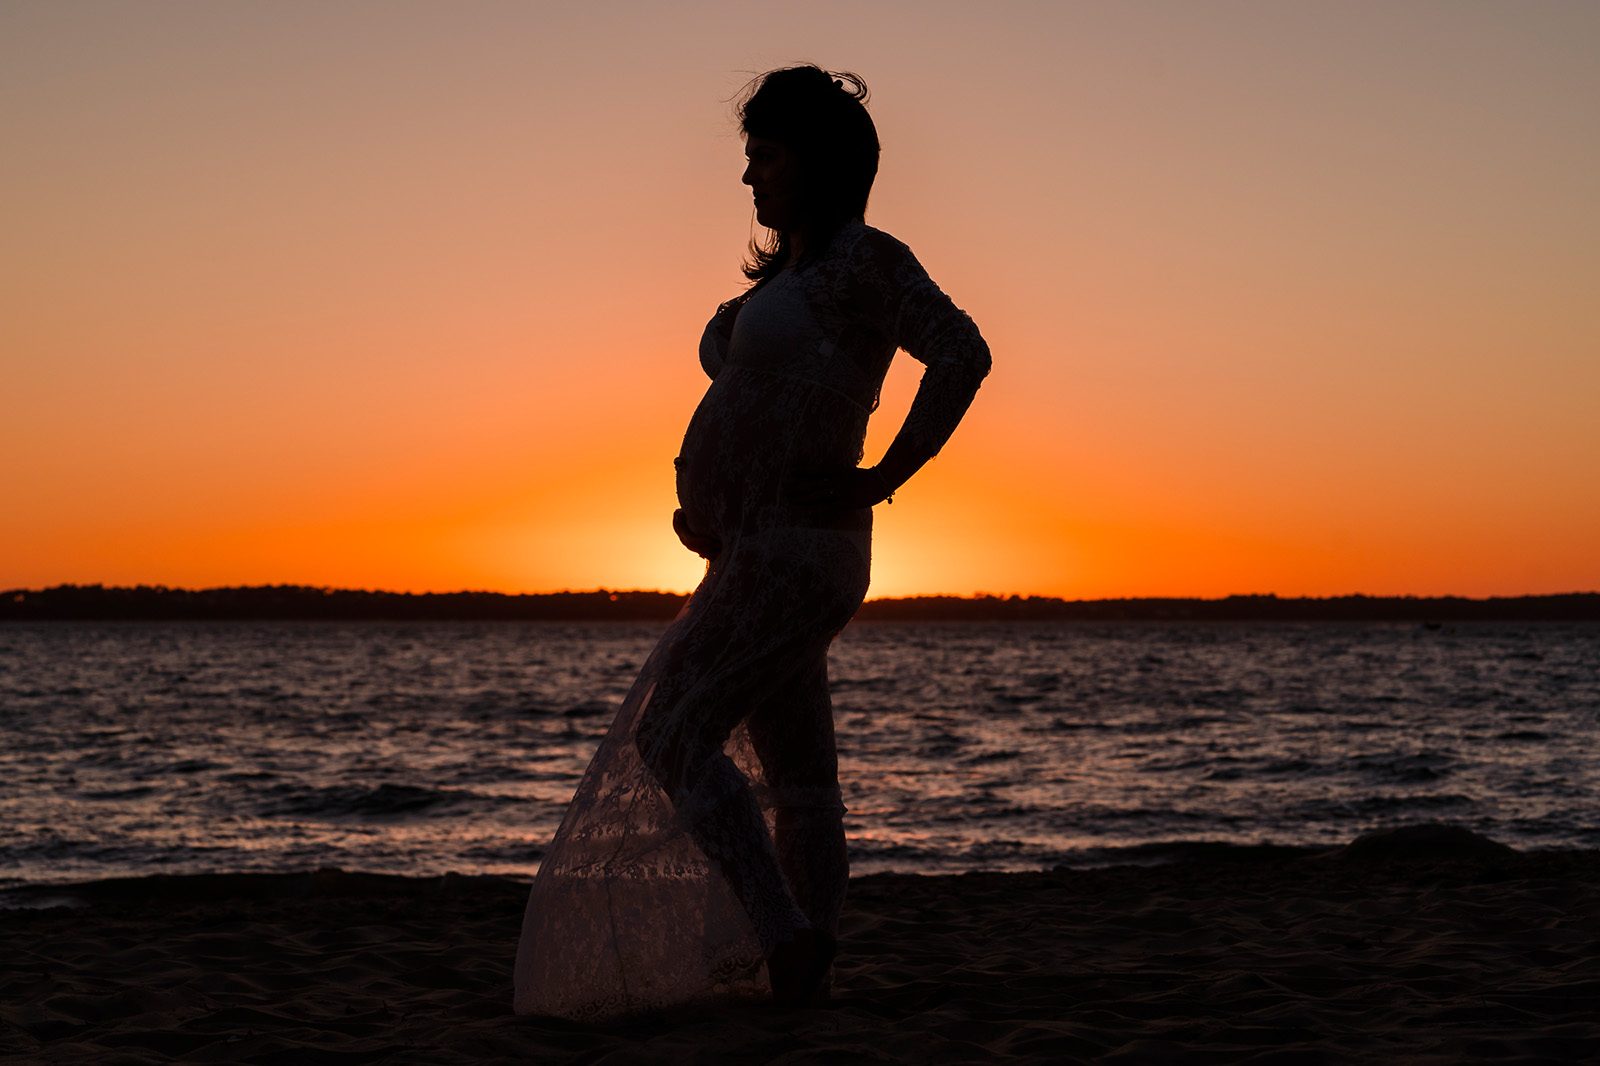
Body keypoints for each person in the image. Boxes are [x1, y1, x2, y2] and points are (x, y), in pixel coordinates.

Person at [513, 64, 991, 1020]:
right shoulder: (801, 273)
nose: (749, 180)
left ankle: (783, 935)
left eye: (764, 157)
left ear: (815, 159)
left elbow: (962, 351)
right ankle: (808, 968)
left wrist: (880, 478)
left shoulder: (866, 259)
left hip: (797, 549)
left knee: (672, 729)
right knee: (805, 779)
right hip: (762, 549)